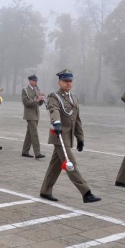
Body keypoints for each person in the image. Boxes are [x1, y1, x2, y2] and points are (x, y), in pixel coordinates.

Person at [40, 69, 101, 203]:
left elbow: (77, 119)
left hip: (68, 137)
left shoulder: (74, 98)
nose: (68, 83)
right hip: (59, 136)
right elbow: (54, 110)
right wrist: (56, 122)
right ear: (59, 82)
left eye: (70, 81)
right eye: (65, 81)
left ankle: (45, 191)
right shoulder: (54, 97)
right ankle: (86, 193)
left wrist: (80, 138)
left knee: (55, 165)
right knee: (70, 163)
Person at [21, 74, 45, 159]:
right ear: (30, 81)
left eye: (36, 81)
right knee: (34, 134)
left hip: (36, 114)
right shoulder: (25, 90)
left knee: (29, 133)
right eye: (34, 81)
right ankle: (37, 153)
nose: (35, 82)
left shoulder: (36, 89)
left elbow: (39, 104)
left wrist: (41, 99)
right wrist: (37, 100)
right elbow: (26, 103)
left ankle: (25, 151)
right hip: (29, 114)